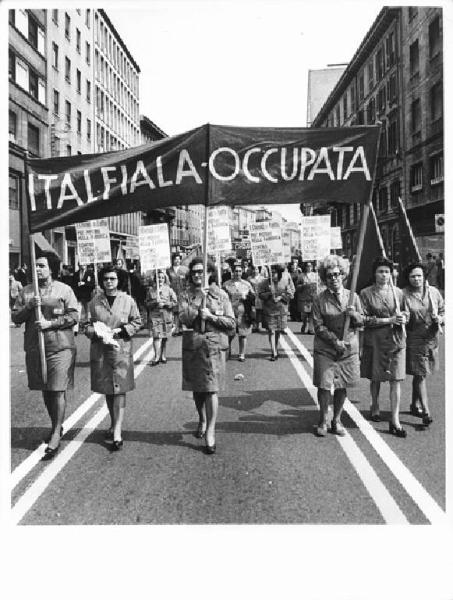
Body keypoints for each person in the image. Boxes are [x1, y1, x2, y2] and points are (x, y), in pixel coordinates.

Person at [12, 254, 78, 459]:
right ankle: (55, 424)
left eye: (41, 266)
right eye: (35, 266)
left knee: (57, 389)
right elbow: (16, 317)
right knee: (47, 390)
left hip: (60, 347)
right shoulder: (27, 291)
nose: (37, 269)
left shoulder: (64, 290)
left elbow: (74, 316)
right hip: (36, 348)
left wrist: (52, 324)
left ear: (52, 269)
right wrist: (30, 306)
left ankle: (56, 432)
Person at [178, 258, 235, 454]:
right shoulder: (186, 295)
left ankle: (211, 431)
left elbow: (231, 323)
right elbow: (184, 319)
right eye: (194, 272)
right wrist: (196, 304)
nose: (197, 275)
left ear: (209, 273)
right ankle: (202, 418)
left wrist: (211, 316)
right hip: (193, 345)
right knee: (198, 389)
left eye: (201, 271)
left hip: (213, 347)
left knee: (211, 389)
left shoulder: (221, 295)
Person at [84, 265, 142, 450]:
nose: (109, 282)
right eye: (106, 279)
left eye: (113, 279)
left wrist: (121, 330)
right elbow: (86, 325)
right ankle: (112, 421)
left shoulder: (127, 300)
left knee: (120, 388)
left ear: (119, 281)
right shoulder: (94, 302)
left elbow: (137, 321)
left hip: (120, 349)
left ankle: (117, 430)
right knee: (108, 389)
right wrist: (96, 332)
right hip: (101, 349)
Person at [312, 255, 364, 437]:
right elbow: (318, 326)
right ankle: (323, 419)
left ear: (342, 275)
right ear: (324, 279)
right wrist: (335, 341)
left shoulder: (353, 297)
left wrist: (355, 315)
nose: (333, 278)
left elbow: (362, 323)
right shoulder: (319, 299)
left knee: (342, 385)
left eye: (336, 274)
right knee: (325, 386)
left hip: (348, 350)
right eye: (329, 276)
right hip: (326, 349)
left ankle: (337, 419)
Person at [360, 256, 409, 437]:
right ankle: (375, 404)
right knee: (376, 377)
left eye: (387, 272)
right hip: (376, 341)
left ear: (391, 274)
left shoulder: (399, 293)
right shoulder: (365, 293)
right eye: (380, 271)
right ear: (374, 274)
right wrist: (387, 319)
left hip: (396, 341)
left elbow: (406, 312)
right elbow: (363, 319)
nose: (384, 275)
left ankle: (394, 419)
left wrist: (404, 317)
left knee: (396, 379)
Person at [402, 262, 445, 426]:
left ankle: (414, 404)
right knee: (420, 374)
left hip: (431, 339)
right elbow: (401, 314)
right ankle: (426, 411)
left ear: (424, 277)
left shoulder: (433, 292)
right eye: (413, 276)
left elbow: (444, 311)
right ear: (408, 278)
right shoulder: (404, 294)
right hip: (414, 339)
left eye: (419, 275)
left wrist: (440, 319)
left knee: (421, 374)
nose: (416, 279)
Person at [259, 264, 294, 361]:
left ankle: (276, 347)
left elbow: (291, 294)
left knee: (277, 330)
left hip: (281, 310)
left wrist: (281, 296)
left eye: (274, 272)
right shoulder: (264, 283)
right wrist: (269, 293)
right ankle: (273, 352)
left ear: (278, 273)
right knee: (271, 330)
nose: (272, 275)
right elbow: (260, 295)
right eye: (271, 273)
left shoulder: (285, 281)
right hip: (269, 310)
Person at [223, 261, 255, 361]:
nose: (238, 273)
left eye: (239, 271)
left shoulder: (247, 284)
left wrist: (247, 297)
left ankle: (242, 354)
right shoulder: (226, 284)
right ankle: (228, 351)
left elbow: (254, 297)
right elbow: (221, 298)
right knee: (229, 334)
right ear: (232, 272)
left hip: (243, 312)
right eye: (236, 271)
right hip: (230, 312)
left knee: (243, 334)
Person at [145, 269, 177, 366]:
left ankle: (163, 355)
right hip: (155, 316)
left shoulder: (169, 290)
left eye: (162, 277)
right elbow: (146, 303)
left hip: (166, 316)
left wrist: (166, 304)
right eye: (158, 277)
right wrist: (155, 302)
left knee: (164, 337)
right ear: (155, 279)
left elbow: (175, 302)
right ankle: (156, 356)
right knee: (156, 337)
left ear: (165, 279)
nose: (161, 279)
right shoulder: (151, 290)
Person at [167, 252, 189, 335]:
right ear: (172, 260)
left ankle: (182, 328)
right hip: (173, 293)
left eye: (178, 259)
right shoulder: (169, 270)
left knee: (182, 310)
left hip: (183, 292)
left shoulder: (185, 269)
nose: (177, 261)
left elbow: (188, 280)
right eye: (175, 259)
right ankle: (176, 328)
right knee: (175, 311)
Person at [295, 261, 318, 334]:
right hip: (304, 299)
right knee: (305, 314)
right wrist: (303, 285)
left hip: (313, 297)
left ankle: (310, 329)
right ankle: (304, 323)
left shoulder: (315, 275)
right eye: (308, 266)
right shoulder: (301, 276)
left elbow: (319, 285)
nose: (309, 267)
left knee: (312, 314)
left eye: (310, 266)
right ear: (305, 267)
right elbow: (297, 287)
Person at [73, 263, 95, 333]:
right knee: (78, 311)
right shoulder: (76, 274)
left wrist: (84, 283)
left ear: (86, 265)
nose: (82, 266)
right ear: (79, 265)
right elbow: (73, 284)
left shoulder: (90, 273)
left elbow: (92, 284)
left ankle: (87, 328)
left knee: (87, 312)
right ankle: (75, 329)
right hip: (78, 295)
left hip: (87, 295)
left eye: (84, 264)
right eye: (81, 264)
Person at [247, 264, 265, 332]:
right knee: (253, 311)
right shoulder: (249, 278)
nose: (255, 271)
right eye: (254, 269)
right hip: (252, 297)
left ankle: (259, 325)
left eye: (257, 269)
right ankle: (254, 325)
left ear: (259, 270)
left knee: (260, 311)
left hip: (260, 297)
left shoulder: (263, 278)